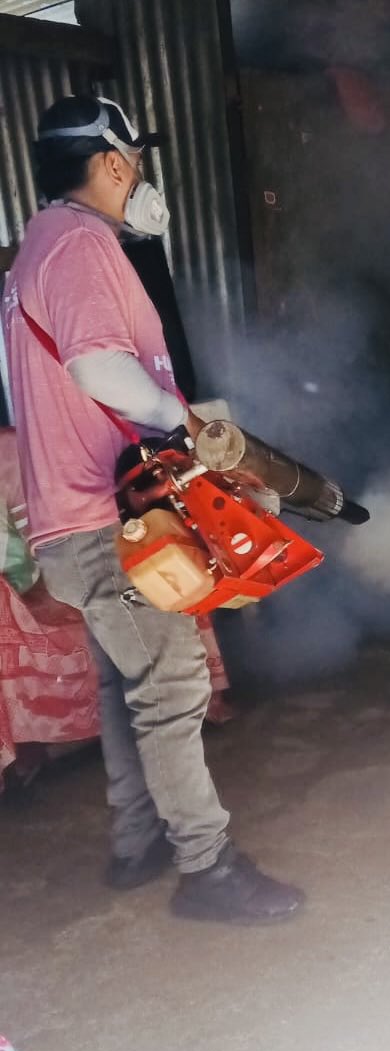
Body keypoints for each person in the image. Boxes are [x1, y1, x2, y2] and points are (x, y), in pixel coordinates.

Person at [1, 94, 302, 925]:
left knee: (119, 680)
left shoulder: (36, 246)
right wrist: (187, 422)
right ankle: (207, 868)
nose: (139, 177)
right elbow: (100, 369)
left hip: (72, 517)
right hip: (110, 520)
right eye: (134, 161)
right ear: (111, 164)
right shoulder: (80, 243)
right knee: (169, 684)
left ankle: (136, 841)